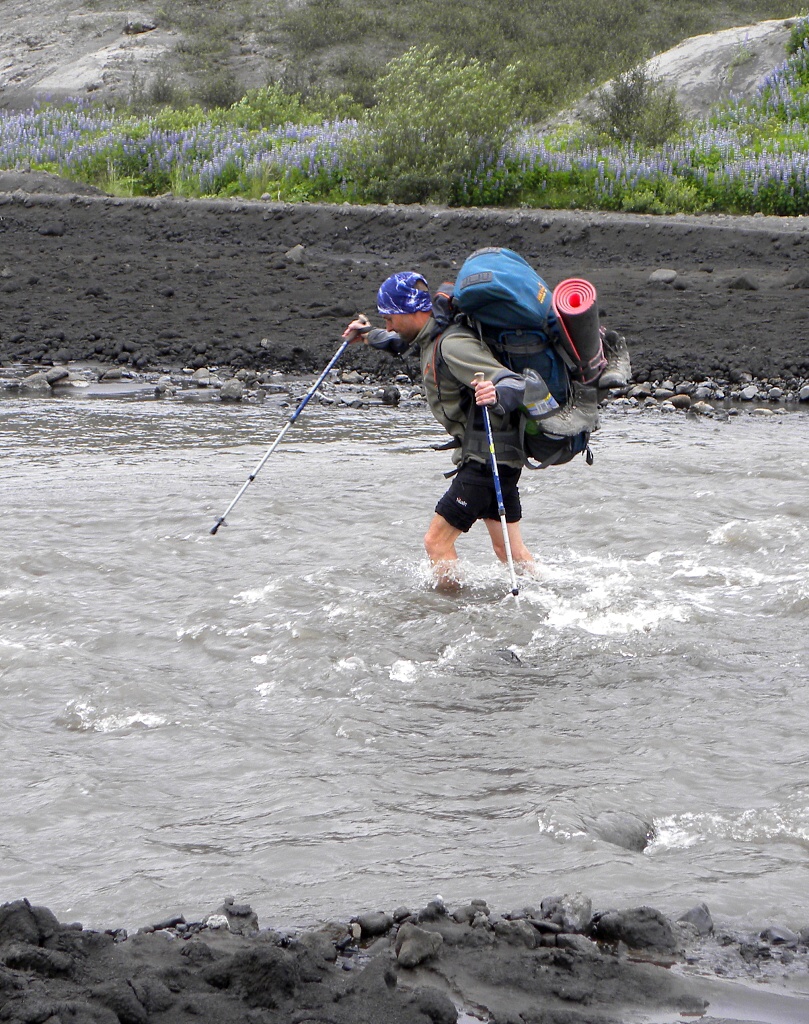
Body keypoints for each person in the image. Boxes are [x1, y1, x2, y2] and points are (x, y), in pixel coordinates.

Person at [343, 271, 587, 590]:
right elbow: (401, 339)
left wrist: (496, 392)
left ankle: (449, 611)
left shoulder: (452, 344)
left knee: (436, 542)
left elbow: (512, 381)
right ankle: (569, 592)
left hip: (486, 460)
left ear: (415, 311)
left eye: (390, 318)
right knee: (510, 552)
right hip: (501, 457)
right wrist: (368, 335)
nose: (388, 325)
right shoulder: (433, 335)